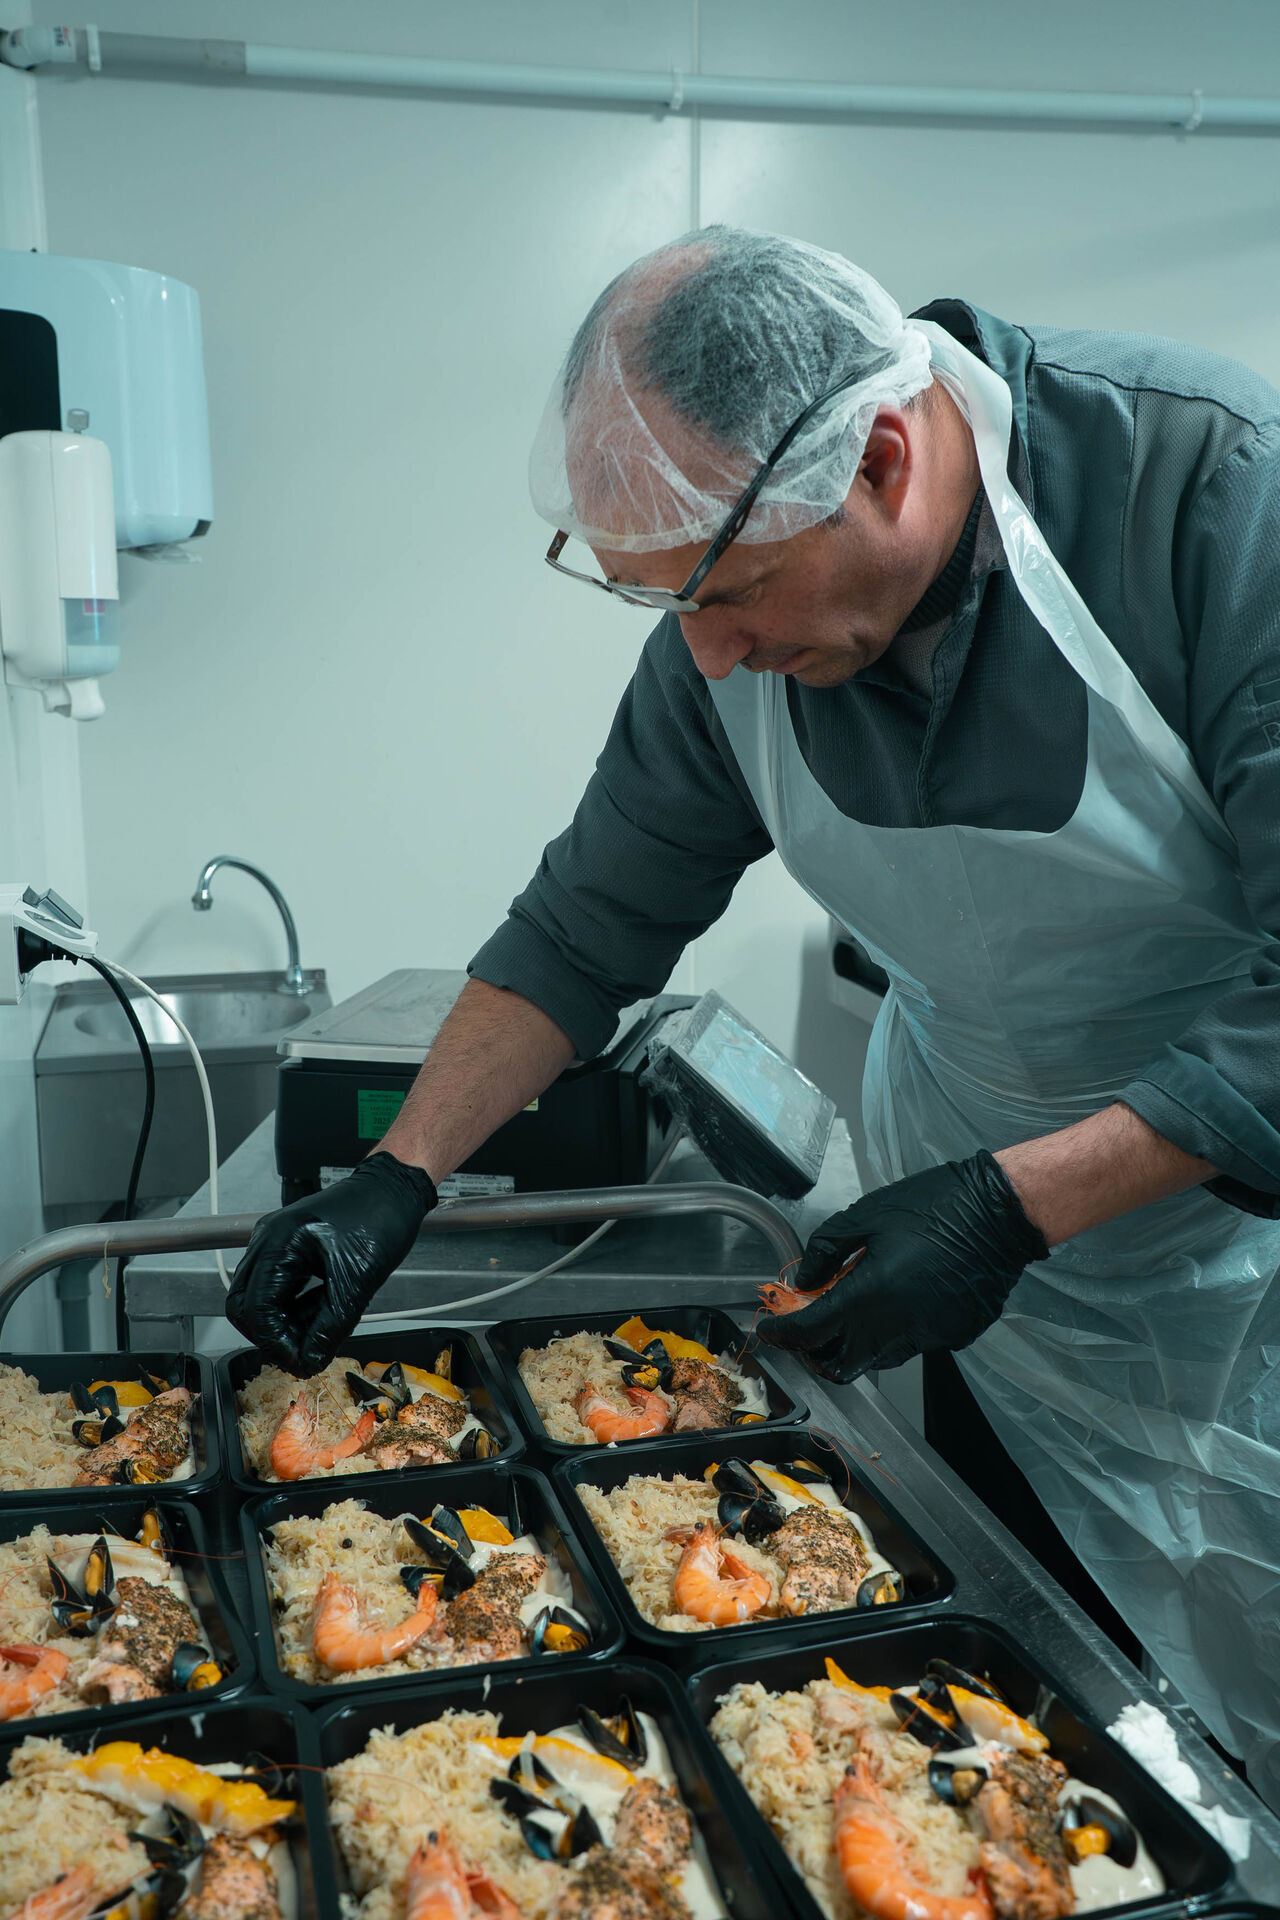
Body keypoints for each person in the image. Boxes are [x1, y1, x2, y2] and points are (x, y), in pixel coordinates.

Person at [228, 227, 1280, 1800]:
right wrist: (399, 1174)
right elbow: (587, 926)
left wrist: (1019, 1204)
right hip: (981, 1266)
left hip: (1229, 1248)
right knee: (1055, 1700)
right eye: (668, 607)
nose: (712, 654)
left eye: (735, 593)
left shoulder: (1207, 494)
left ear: (882, 457)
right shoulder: (722, 641)